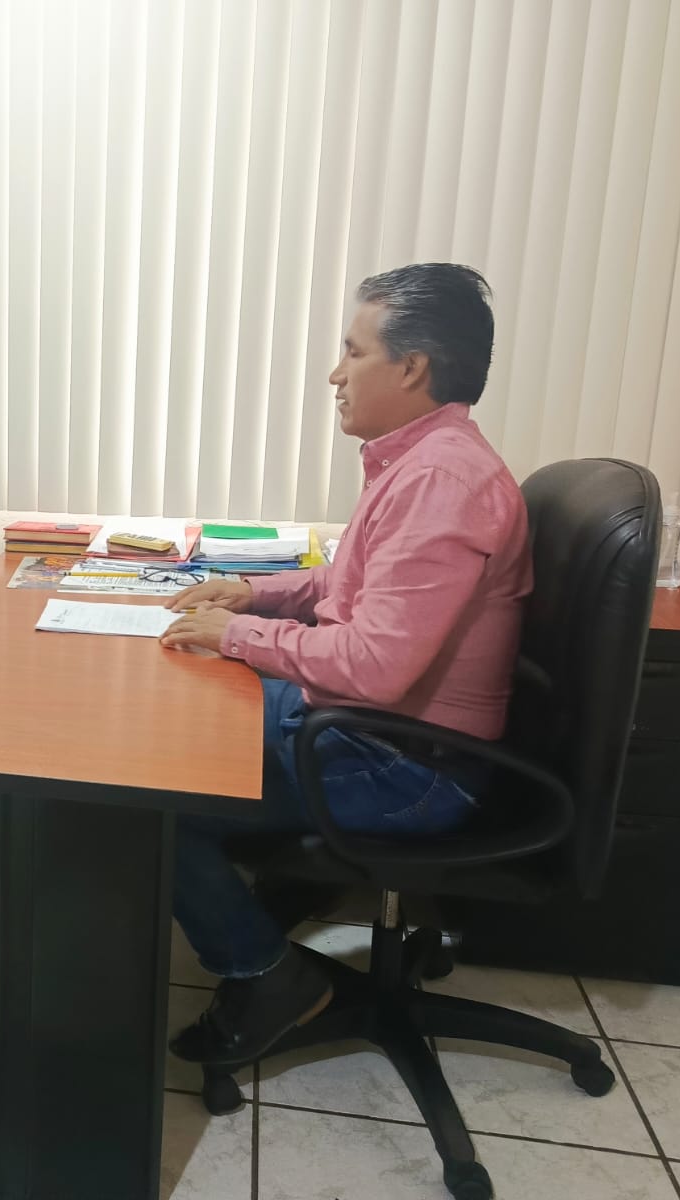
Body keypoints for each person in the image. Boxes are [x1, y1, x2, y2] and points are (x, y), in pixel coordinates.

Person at [157, 264, 532, 1066]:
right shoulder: (423, 460)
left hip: (408, 767)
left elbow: (375, 664)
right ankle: (261, 908)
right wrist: (253, 596)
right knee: (176, 723)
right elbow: (349, 585)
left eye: (353, 352)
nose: (336, 373)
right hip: (368, 729)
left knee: (149, 799)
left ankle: (268, 975)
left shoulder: (443, 481)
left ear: (412, 367)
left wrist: (235, 635)